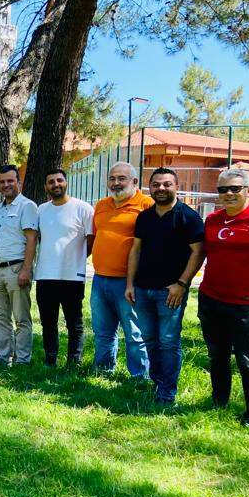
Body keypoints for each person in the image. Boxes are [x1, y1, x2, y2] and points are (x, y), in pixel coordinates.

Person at [125, 168, 205, 406]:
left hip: (170, 292)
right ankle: (158, 382)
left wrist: (182, 284)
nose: (161, 188)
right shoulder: (145, 217)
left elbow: (198, 252)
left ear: (176, 187)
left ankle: (167, 393)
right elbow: (136, 250)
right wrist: (130, 284)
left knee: (168, 342)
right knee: (150, 339)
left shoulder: (188, 217)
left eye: (167, 184)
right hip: (142, 289)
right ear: (149, 187)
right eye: (156, 184)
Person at [198, 168, 249, 426]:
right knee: (217, 355)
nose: (229, 194)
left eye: (235, 189)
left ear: (247, 191)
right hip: (211, 299)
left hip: (245, 305)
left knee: (246, 361)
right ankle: (219, 401)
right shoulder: (212, 220)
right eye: (223, 189)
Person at [91, 162, 152, 383]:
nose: (116, 183)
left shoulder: (146, 205)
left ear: (134, 181)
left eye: (121, 178)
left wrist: (135, 281)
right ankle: (103, 370)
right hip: (99, 279)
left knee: (134, 332)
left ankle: (140, 376)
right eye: (112, 178)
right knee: (102, 331)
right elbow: (97, 236)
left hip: (129, 282)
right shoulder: (101, 205)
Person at [34, 169, 94, 368]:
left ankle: (74, 362)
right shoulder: (41, 210)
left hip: (72, 276)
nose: (56, 184)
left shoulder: (83, 208)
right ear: (46, 187)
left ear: (66, 183)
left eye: (59, 180)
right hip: (45, 275)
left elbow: (91, 240)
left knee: (74, 323)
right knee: (48, 322)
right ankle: (50, 359)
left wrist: (75, 258)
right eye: (51, 181)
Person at [0, 164, 38, 366]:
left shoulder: (27, 206)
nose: (6, 185)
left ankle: (22, 360)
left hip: (17, 269)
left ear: (18, 183)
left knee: (21, 318)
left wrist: (26, 270)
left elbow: (31, 240)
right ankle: (3, 356)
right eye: (2, 182)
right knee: (0, 317)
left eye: (10, 181)